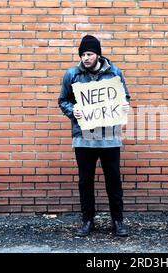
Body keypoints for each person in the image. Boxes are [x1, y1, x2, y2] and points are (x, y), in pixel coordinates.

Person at [58, 35, 131, 237]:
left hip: (109, 137)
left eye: (89, 54)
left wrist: (124, 106)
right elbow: (63, 100)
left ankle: (118, 221)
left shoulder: (114, 73)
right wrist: (73, 111)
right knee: (85, 181)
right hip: (84, 137)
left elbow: (124, 97)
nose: (85, 58)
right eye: (82, 54)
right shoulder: (71, 74)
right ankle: (88, 221)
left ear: (97, 54)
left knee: (113, 180)